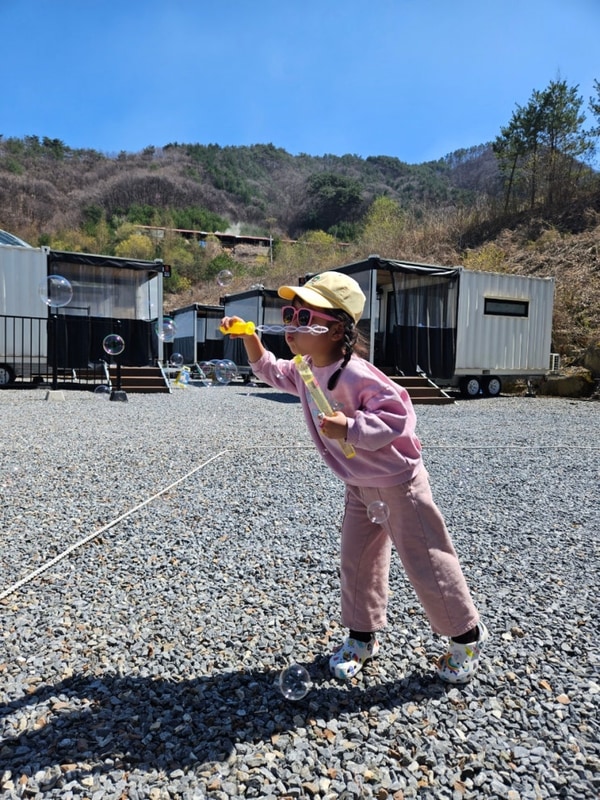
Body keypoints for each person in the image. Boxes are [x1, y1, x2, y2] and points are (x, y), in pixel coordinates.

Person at [221, 271, 488, 683]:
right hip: (359, 484)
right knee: (358, 561)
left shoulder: (360, 374)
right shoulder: (306, 368)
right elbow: (271, 370)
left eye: (303, 317)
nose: (291, 324)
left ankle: (466, 636)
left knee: (426, 561)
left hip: (399, 484)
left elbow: (398, 416)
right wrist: (249, 337)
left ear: (335, 330)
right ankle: (362, 637)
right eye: (289, 314)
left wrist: (350, 427)